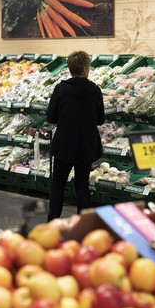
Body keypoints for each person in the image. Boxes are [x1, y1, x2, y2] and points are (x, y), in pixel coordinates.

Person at [46, 50, 105, 220]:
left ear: (69, 68)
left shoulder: (60, 89)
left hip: (64, 142)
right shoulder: (95, 90)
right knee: (82, 185)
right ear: (86, 68)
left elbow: (51, 117)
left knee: (58, 183)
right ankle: (83, 224)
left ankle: (53, 222)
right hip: (86, 144)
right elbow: (100, 120)